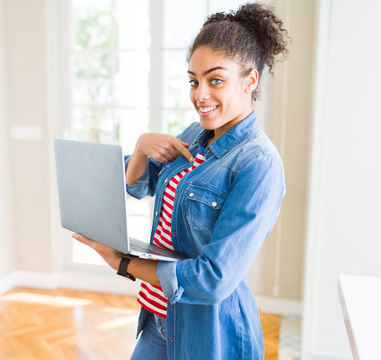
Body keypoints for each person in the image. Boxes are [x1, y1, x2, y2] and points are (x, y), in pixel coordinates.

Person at [72, 3, 289, 359]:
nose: (199, 95)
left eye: (215, 80)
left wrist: (123, 263)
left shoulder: (259, 164)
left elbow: (214, 278)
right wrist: (141, 148)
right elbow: (137, 186)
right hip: (160, 319)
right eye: (194, 80)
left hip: (210, 334)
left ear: (250, 80)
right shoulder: (195, 136)